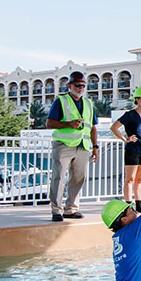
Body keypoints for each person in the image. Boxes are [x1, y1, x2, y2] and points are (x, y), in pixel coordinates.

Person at [46, 71, 98, 222]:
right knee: (59, 177)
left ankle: (71, 209)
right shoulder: (61, 101)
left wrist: (95, 147)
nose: (80, 88)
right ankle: (56, 210)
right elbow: (49, 123)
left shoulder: (88, 103)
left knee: (78, 178)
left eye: (83, 85)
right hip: (63, 145)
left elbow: (93, 127)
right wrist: (69, 124)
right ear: (69, 86)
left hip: (83, 146)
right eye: (77, 85)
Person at [110, 87, 141, 212]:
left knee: (140, 178)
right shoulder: (129, 114)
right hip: (132, 149)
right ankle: (128, 204)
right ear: (137, 100)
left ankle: (139, 203)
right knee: (130, 178)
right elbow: (114, 127)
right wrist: (126, 139)